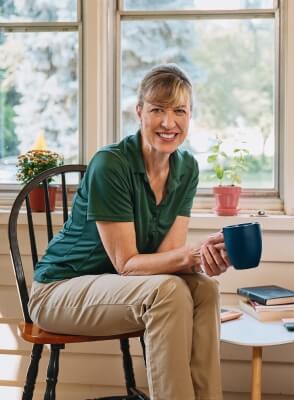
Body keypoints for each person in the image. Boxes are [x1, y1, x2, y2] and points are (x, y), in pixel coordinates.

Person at [29, 64, 229, 400]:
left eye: (179, 111)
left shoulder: (187, 168)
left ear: (190, 115)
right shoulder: (111, 164)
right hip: (59, 290)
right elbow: (128, 265)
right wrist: (191, 254)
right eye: (157, 110)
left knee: (204, 290)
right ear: (140, 112)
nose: (169, 123)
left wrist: (205, 260)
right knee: (167, 292)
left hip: (121, 290)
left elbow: (166, 259)